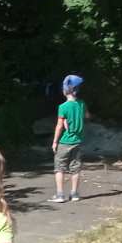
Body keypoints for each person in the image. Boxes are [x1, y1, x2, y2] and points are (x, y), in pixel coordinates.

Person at [49, 74, 86, 203]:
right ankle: (74, 194)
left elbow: (59, 126)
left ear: (66, 90)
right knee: (75, 168)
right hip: (78, 141)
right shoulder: (81, 104)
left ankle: (60, 195)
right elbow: (86, 116)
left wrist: (55, 142)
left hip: (65, 142)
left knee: (59, 168)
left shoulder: (63, 107)